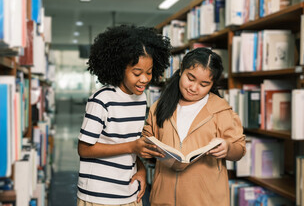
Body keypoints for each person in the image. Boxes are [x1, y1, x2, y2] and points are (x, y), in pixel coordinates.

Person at [77, 24, 171, 206]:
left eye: (149, 72)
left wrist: (141, 168)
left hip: (129, 192)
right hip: (98, 195)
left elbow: (131, 144)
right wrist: (132, 147)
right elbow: (85, 149)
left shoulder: (141, 98)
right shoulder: (101, 100)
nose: (144, 79)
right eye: (137, 73)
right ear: (120, 69)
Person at [142, 47, 246, 206]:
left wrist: (228, 148)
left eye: (204, 84)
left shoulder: (220, 109)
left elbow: (239, 148)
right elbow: (146, 140)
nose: (194, 88)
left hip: (206, 200)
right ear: (181, 70)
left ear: (212, 85)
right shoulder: (159, 107)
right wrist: (149, 148)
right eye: (190, 78)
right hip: (163, 198)